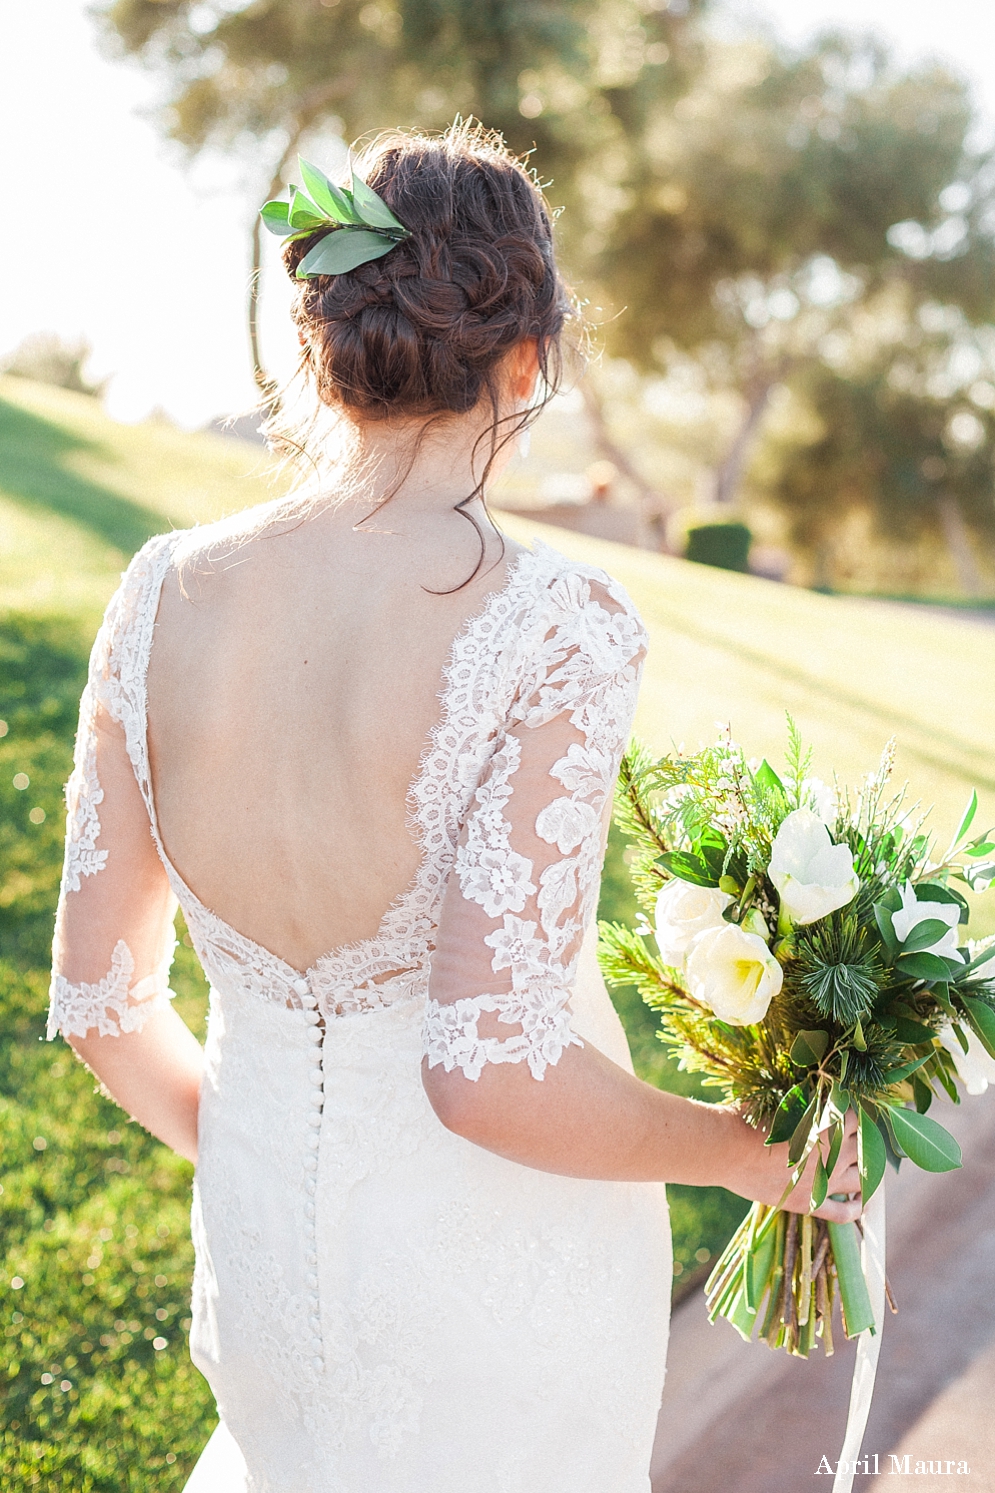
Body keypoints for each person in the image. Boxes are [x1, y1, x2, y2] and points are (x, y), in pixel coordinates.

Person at [48, 122, 859, 1493]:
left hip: (259, 1266)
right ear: (529, 358)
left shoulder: (159, 594)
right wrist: (740, 1152)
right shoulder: (556, 623)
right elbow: (489, 1070)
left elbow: (102, 1006)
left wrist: (276, 1153)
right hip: (495, 1283)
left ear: (318, 342)